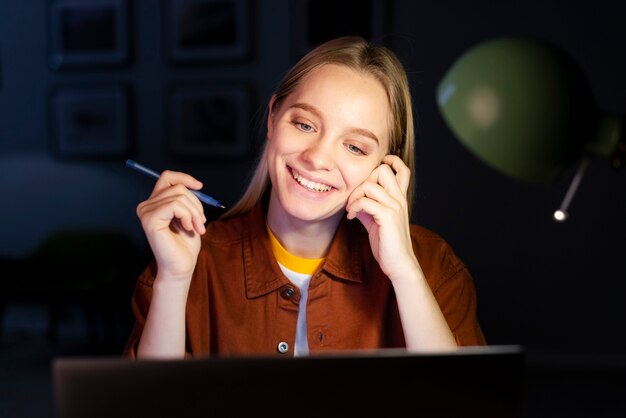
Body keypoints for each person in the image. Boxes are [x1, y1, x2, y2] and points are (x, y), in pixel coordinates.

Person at [124, 36, 486, 359]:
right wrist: (173, 281)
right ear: (272, 117)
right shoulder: (187, 263)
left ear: (386, 169)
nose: (317, 159)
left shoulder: (434, 268)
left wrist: (405, 273)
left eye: (355, 147)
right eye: (305, 125)